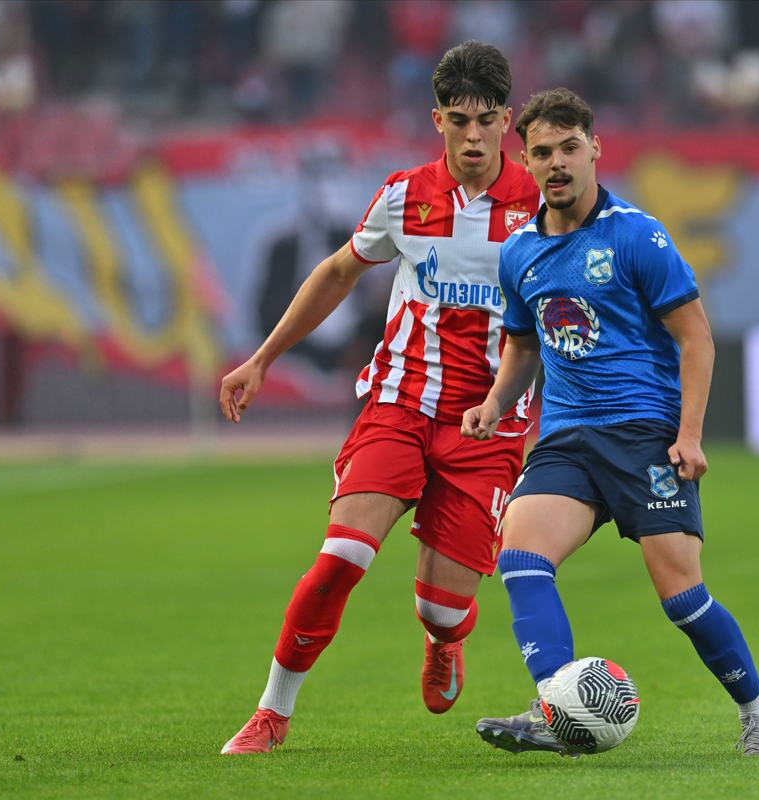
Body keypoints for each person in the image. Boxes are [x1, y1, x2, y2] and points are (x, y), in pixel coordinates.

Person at [218, 40, 540, 754]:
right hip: (399, 403)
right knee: (342, 556)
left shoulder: (543, 207)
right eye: (459, 120)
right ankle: (271, 713)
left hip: (488, 427)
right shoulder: (404, 196)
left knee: (443, 608)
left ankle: (444, 639)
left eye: (487, 120)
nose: (474, 136)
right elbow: (338, 272)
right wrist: (263, 359)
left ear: (507, 120)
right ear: (438, 119)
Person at [461, 88, 759, 757]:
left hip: (643, 435)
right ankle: (556, 710)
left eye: (569, 148)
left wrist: (688, 434)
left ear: (595, 149)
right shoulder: (519, 252)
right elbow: (522, 345)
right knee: (520, 558)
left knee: (681, 597)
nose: (557, 163)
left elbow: (696, 338)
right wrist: (495, 403)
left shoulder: (637, 235)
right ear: (526, 161)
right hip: (567, 439)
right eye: (542, 153)